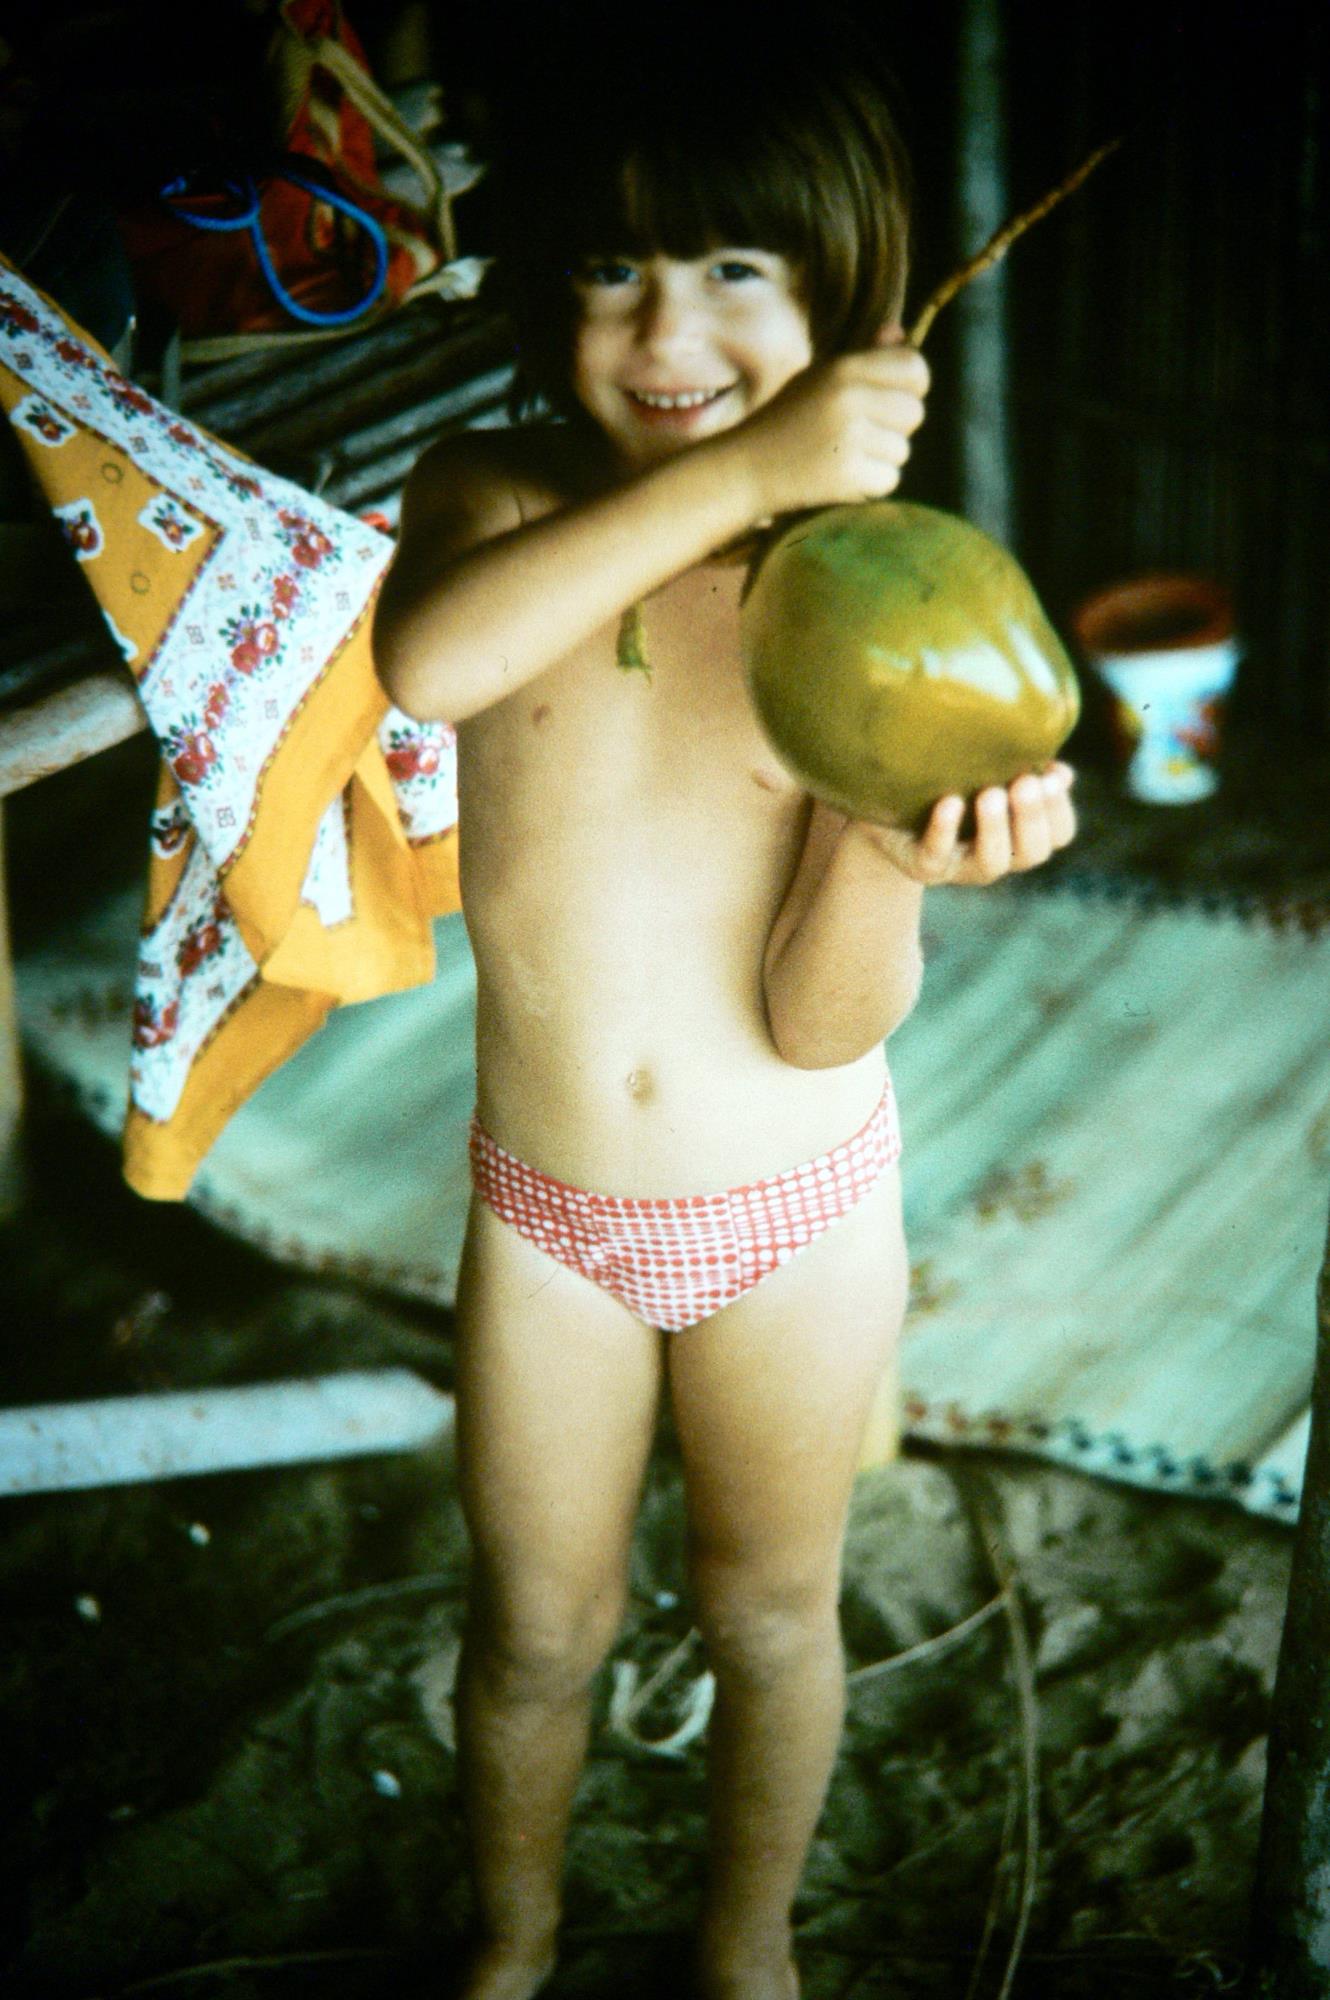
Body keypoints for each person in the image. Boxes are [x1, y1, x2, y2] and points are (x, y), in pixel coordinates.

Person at [373, 16, 1076, 1997]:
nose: (663, 330)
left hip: (793, 1216)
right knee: (533, 1630)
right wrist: (750, 465)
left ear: (843, 295)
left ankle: (745, 1948)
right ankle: (513, 1947)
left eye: (733, 268)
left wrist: (891, 855)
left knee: (769, 1611)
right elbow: (431, 668)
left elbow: (819, 1026)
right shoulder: (494, 505)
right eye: (613, 265)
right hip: (549, 1224)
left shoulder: (862, 602)